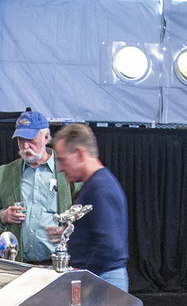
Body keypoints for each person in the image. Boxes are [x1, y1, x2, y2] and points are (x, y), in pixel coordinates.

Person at [0, 110, 74, 265]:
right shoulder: (5, 173)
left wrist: (70, 233)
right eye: (20, 140)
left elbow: (87, 214)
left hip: (56, 265)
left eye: (31, 139)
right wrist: (3, 216)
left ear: (46, 137)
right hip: (19, 265)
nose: (25, 146)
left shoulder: (67, 169)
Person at [50, 123, 130, 291]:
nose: (60, 168)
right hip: (103, 280)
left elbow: (109, 246)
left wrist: (82, 280)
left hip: (102, 283)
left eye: (62, 160)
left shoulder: (99, 188)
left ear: (80, 153)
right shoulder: (97, 184)